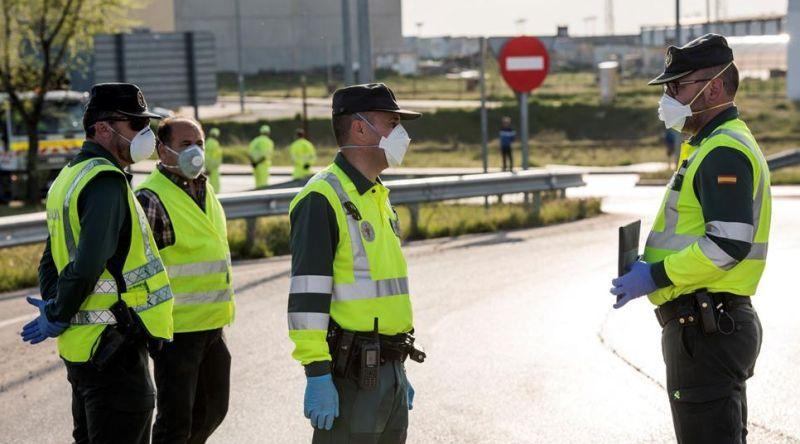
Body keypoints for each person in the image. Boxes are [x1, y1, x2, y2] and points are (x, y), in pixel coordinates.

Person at [610, 34, 770, 443]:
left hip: (706, 328)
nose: (668, 96)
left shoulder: (723, 152)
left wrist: (657, 275)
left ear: (713, 86)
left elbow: (727, 245)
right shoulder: (708, 146)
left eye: (677, 85)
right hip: (709, 325)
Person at [22, 83, 174, 444]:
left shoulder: (69, 177)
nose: (145, 134)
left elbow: (50, 259)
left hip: (83, 351)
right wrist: (57, 312)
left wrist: (56, 309)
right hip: (115, 355)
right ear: (103, 128)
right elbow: (87, 264)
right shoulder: (105, 182)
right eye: (135, 124)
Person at [288, 83, 426, 443]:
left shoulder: (377, 195)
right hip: (350, 377)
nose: (402, 133)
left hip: (388, 368)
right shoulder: (322, 198)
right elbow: (307, 297)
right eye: (392, 122)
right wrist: (317, 373)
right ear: (360, 127)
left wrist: (396, 367)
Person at [135, 117, 235, 444]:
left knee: (213, 410)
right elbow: (138, 267)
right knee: (175, 422)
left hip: (212, 325)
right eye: (185, 145)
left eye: (199, 144)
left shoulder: (205, 189)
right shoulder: (151, 198)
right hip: (176, 332)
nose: (195, 151)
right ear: (163, 151)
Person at [248, 124, 274, 188]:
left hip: (255, 165)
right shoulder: (268, 141)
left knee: (257, 184)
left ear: (261, 132)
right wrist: (257, 162)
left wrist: (253, 162)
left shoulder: (255, 140)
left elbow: (250, 152)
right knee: (263, 185)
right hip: (263, 165)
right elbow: (266, 155)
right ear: (268, 132)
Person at [205, 127, 223, 193]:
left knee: (211, 180)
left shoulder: (207, 142)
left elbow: (206, 155)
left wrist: (206, 166)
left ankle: (213, 192)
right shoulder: (215, 143)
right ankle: (214, 192)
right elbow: (216, 156)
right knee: (214, 180)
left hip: (210, 165)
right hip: (214, 166)